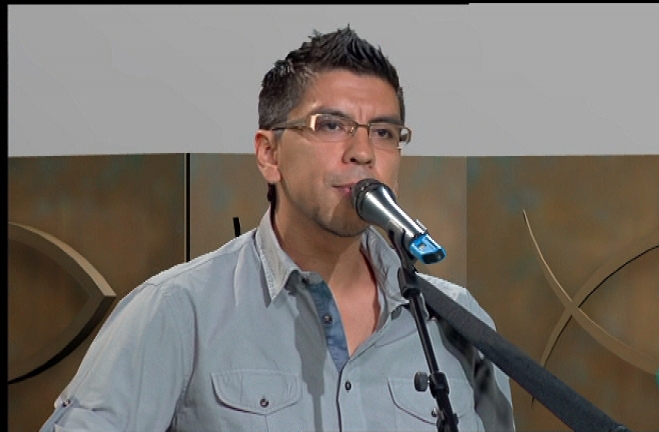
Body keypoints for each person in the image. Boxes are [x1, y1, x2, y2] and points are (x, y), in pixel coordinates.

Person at [41, 26, 516, 432]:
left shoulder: (456, 320)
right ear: (269, 154)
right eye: (331, 126)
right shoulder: (176, 311)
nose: (363, 152)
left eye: (384, 132)